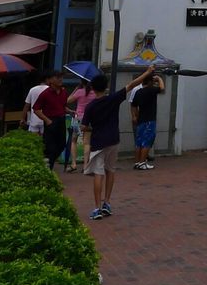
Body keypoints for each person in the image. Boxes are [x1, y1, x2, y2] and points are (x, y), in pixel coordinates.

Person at [82, 66, 154, 219]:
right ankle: (107, 203)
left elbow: (84, 126)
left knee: (98, 173)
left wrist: (91, 128)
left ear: (93, 89)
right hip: (113, 140)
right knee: (110, 170)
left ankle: (96, 208)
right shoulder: (113, 99)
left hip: (98, 142)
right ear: (106, 87)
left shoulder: (90, 107)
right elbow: (132, 84)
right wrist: (147, 72)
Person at [32, 70, 69, 169]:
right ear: (50, 80)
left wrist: (70, 111)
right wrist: (47, 120)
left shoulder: (64, 92)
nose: (60, 79)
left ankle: (47, 163)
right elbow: (36, 109)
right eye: (57, 77)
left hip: (61, 120)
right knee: (50, 147)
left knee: (61, 145)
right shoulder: (45, 94)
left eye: (61, 77)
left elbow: (63, 106)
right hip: (51, 121)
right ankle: (48, 167)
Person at [131, 70, 165, 170]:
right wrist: (159, 79)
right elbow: (162, 88)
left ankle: (137, 162)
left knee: (139, 142)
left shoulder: (138, 92)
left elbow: (133, 106)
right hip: (150, 119)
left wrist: (135, 116)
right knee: (147, 141)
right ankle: (142, 162)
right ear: (150, 81)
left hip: (141, 119)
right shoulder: (151, 90)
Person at [65, 81, 98, 172]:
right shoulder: (94, 93)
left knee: (74, 140)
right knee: (87, 142)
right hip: (90, 119)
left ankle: (74, 164)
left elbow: (67, 101)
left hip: (78, 119)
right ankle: (85, 166)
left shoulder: (79, 92)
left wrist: (75, 90)